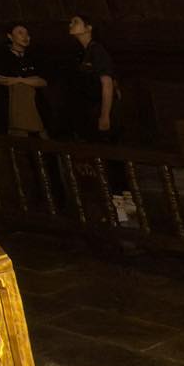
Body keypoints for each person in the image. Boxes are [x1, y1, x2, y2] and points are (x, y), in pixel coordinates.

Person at [65, 13, 135, 223]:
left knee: (110, 157)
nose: (71, 25)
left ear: (88, 27)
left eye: (75, 22)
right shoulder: (83, 53)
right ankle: (116, 203)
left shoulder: (97, 51)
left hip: (102, 112)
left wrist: (105, 115)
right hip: (91, 111)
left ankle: (122, 204)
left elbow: (107, 83)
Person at [0, 23, 51, 135]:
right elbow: (2, 79)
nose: (25, 37)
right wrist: (26, 81)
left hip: (36, 107)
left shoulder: (35, 56)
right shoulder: (3, 56)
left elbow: (42, 81)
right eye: (20, 33)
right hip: (13, 108)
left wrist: (19, 80)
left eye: (27, 34)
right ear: (10, 36)